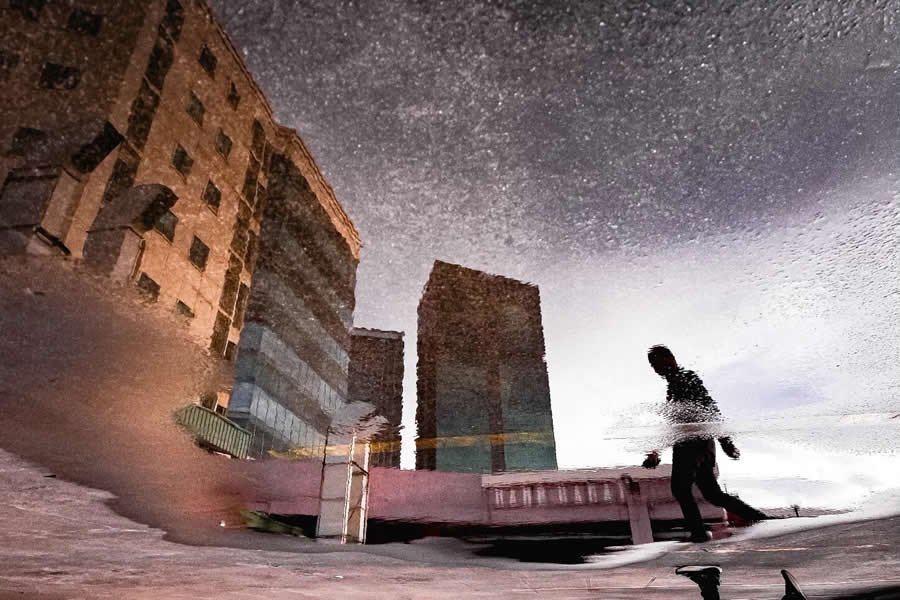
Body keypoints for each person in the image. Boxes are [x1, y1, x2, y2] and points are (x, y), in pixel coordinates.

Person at [643, 344, 766, 542]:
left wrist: (725, 439)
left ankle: (698, 533)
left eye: (655, 362)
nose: (654, 368)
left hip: (692, 442)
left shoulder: (685, 378)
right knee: (713, 494)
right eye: (651, 365)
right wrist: (657, 451)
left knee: (681, 488)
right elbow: (674, 422)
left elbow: (709, 408)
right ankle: (758, 519)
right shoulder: (675, 384)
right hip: (702, 443)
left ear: (669, 358)